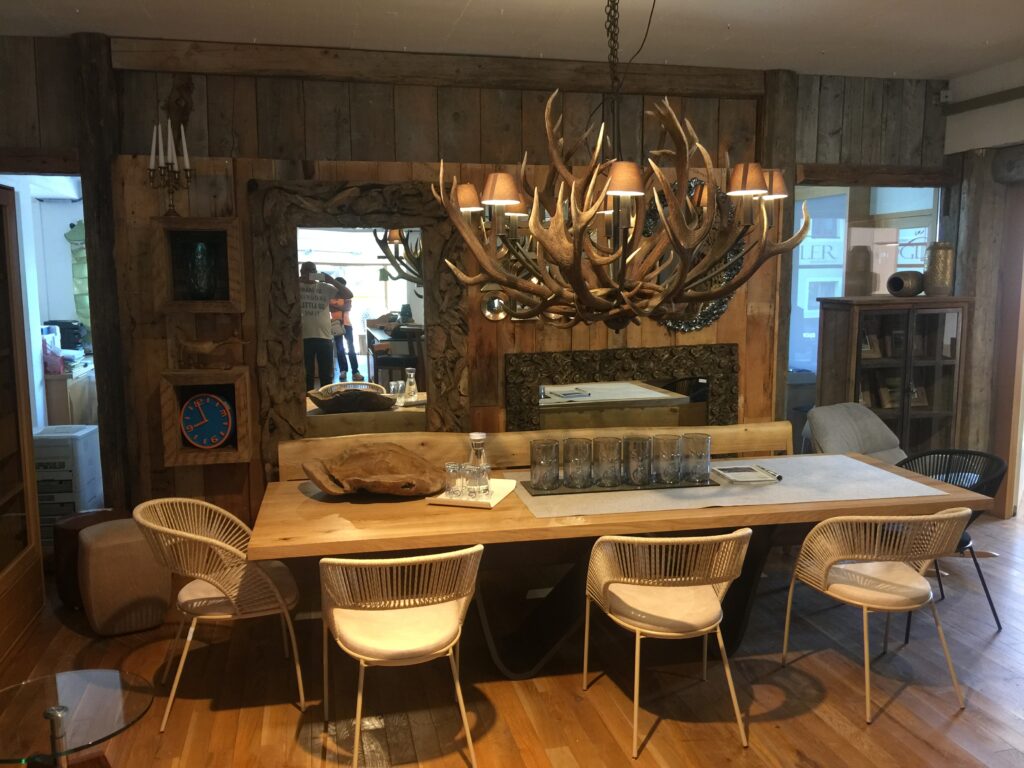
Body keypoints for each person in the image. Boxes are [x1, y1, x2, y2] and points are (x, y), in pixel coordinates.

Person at [299, 262, 351, 391]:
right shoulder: (296, 286)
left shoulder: (324, 287)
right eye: (306, 270)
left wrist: (331, 280)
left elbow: (348, 295)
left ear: (317, 272)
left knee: (326, 375)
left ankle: (325, 400)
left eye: (313, 270)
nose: (310, 273)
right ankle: (308, 401)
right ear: (301, 272)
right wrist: (298, 279)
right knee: (306, 375)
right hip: (303, 337)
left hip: (325, 337)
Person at [329, 277, 363, 381]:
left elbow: (347, 308)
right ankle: (343, 370)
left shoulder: (346, 296)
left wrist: (334, 306)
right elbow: (329, 308)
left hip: (347, 324)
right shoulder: (330, 295)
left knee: (351, 348)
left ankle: (355, 371)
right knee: (340, 349)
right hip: (335, 325)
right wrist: (339, 307)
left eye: (342, 286)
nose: (341, 288)